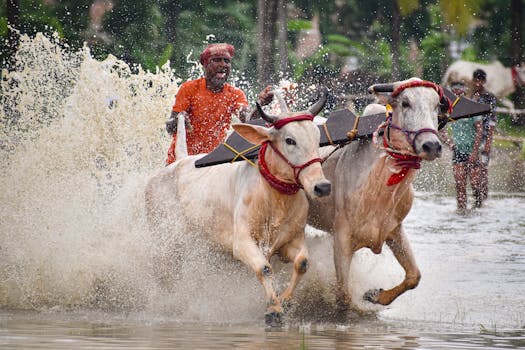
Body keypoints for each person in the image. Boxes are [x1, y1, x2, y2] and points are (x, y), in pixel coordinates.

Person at [165, 43, 273, 165]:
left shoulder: (235, 94)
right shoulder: (189, 89)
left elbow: (247, 119)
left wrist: (260, 104)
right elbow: (170, 128)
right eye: (216, 60)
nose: (223, 65)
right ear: (205, 65)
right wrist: (180, 119)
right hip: (181, 163)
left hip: (211, 163)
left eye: (226, 61)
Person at [440, 81, 484, 214]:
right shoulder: (450, 111)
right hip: (458, 151)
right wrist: (450, 143)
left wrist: (475, 152)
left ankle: (478, 207)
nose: (457, 96)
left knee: (475, 185)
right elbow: (441, 130)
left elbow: (480, 130)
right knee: (460, 185)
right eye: (454, 94)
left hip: (473, 151)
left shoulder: (471, 109)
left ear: (464, 93)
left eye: (459, 94)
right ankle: (461, 211)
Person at [470, 69, 497, 206]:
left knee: (483, 167)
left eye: (480, 80)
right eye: (476, 80)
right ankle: (477, 195)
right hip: (473, 138)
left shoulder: (489, 97)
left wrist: (488, 143)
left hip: (485, 137)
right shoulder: (471, 96)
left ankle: (484, 195)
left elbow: (492, 121)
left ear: (484, 81)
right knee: (474, 167)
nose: (478, 83)